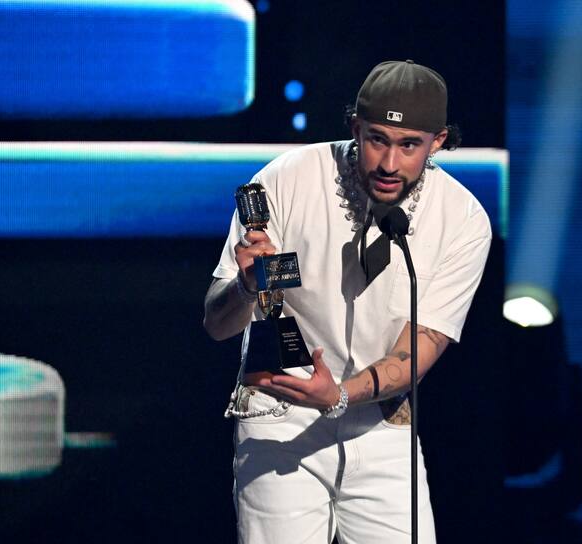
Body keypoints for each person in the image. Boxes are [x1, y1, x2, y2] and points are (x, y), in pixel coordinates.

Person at [203, 59, 492, 544]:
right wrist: (247, 287)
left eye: (409, 145)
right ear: (355, 127)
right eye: (378, 139)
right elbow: (216, 323)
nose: (389, 163)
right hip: (281, 417)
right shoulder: (287, 179)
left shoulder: (462, 220)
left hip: (382, 427)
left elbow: (418, 350)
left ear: (438, 141)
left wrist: (338, 395)